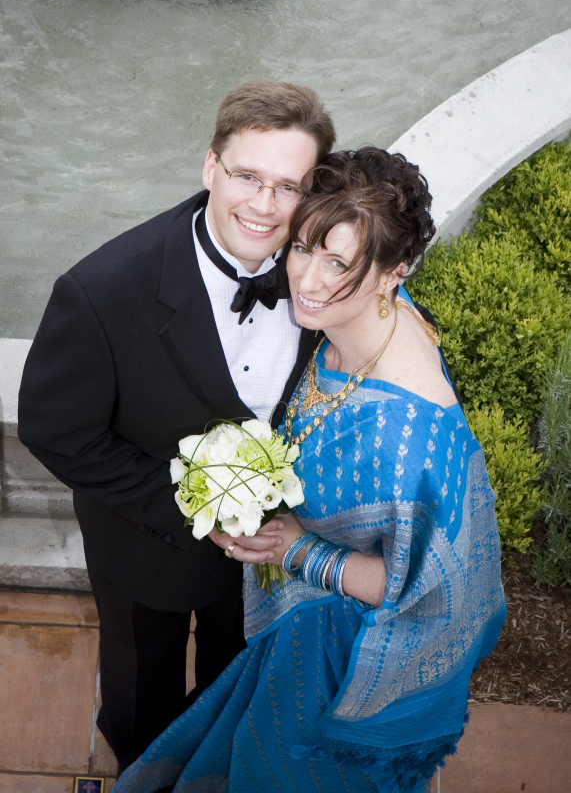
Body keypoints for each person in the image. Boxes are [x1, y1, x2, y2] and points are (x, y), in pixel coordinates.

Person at [112, 147, 506, 793]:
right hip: (301, 628)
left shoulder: (405, 436)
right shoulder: (369, 317)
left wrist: (297, 550)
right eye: (303, 248)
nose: (308, 280)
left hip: (341, 660)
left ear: (393, 273)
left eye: (339, 264)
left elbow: (430, 589)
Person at [17, 81, 336, 774]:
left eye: (288, 186)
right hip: (145, 549)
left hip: (270, 558)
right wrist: (192, 508)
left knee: (239, 689)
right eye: (247, 176)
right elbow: (53, 427)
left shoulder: (326, 275)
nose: (264, 205)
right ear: (210, 166)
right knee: (141, 699)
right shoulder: (101, 290)